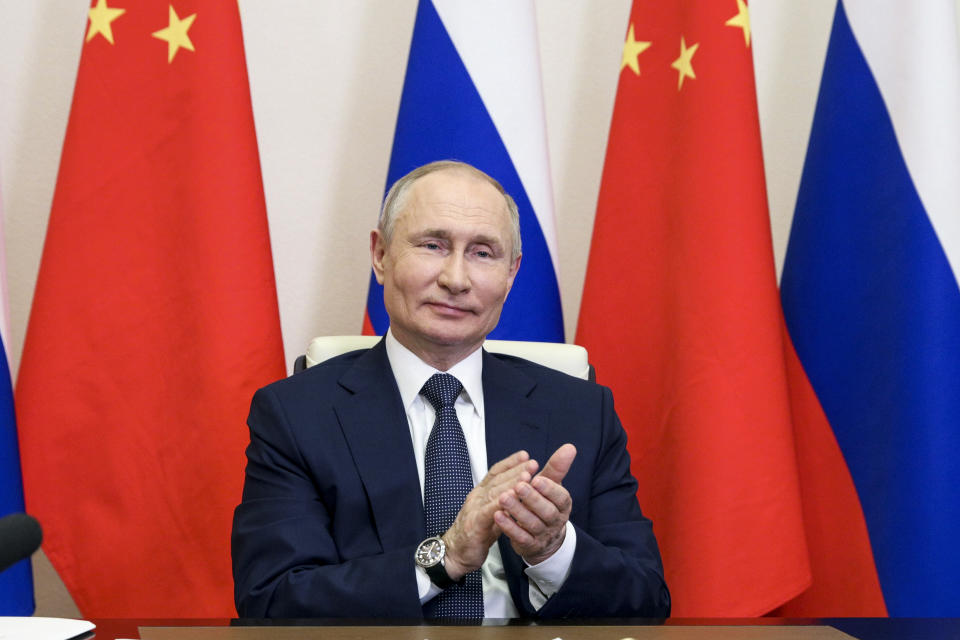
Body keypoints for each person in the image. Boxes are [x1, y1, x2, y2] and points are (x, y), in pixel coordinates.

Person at [231, 160, 670, 619]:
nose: (456, 279)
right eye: (433, 245)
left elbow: (647, 601)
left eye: (483, 253)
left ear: (511, 273)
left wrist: (553, 550)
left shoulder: (581, 412)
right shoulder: (297, 414)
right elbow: (273, 602)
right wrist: (448, 556)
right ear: (380, 256)